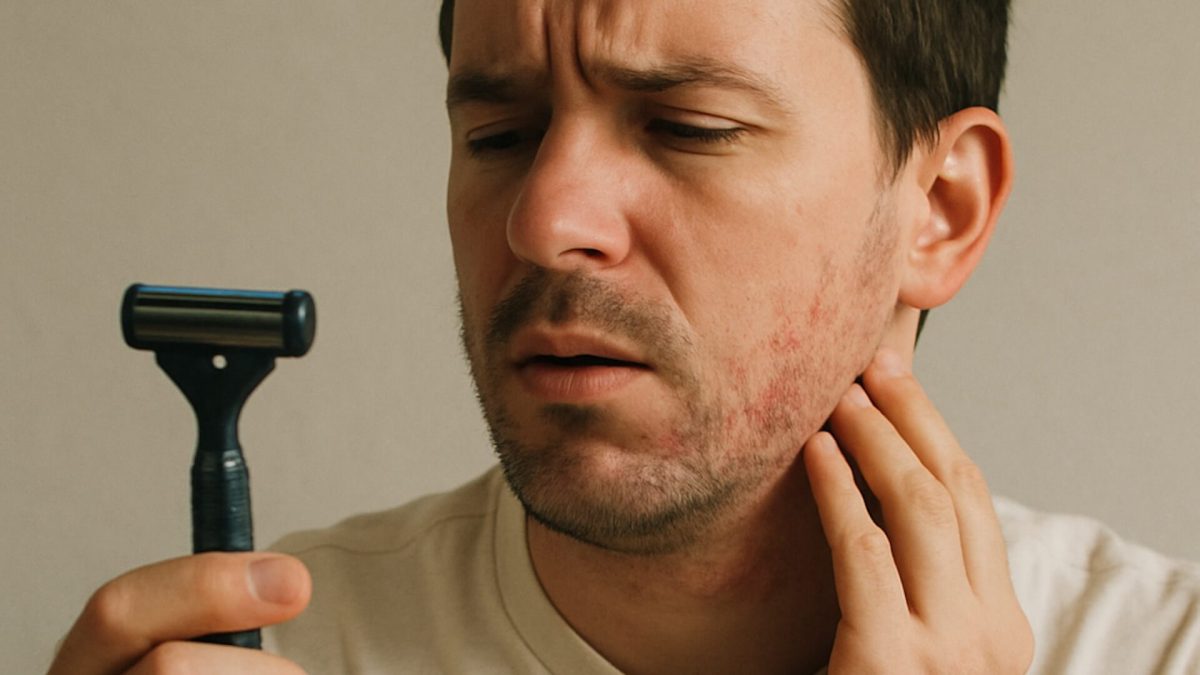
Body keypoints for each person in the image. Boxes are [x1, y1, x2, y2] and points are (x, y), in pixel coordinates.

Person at [48, 0, 1200, 673]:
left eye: (687, 127)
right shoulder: (278, 650)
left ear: (939, 210)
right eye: (500, 133)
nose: (544, 221)